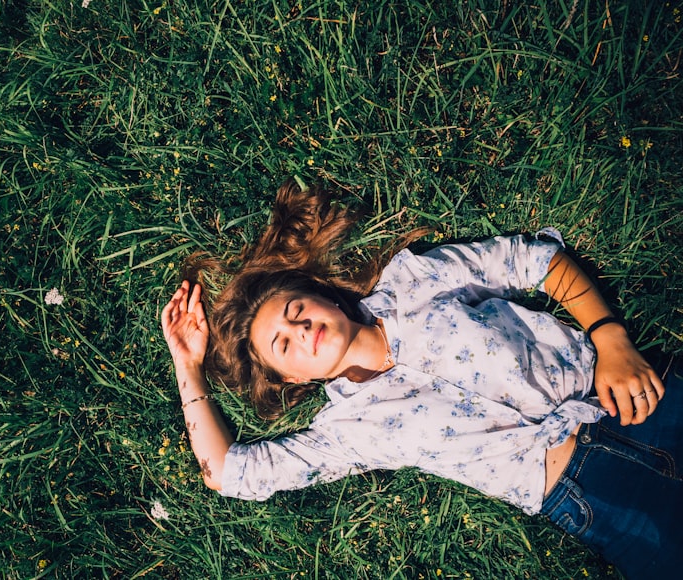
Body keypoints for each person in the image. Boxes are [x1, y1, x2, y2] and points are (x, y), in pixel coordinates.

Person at [159, 179, 681, 578]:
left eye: (296, 310)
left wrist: (611, 338)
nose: (301, 330)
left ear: (320, 295)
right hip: (594, 494)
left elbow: (532, 261)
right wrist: (187, 365)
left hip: (629, 392)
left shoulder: (412, 283)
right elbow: (227, 473)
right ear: (288, 376)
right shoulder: (346, 432)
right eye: (284, 345)